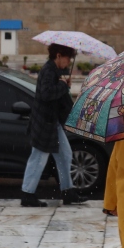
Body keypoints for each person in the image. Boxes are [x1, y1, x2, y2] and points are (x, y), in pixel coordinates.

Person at [21, 43, 86, 207]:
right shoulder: (48, 70)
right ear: (58, 55)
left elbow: (59, 97)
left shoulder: (56, 71)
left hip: (52, 122)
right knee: (38, 158)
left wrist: (65, 88)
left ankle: (68, 191)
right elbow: (47, 94)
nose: (68, 62)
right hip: (44, 122)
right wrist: (64, 86)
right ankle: (27, 194)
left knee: (65, 155)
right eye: (67, 58)